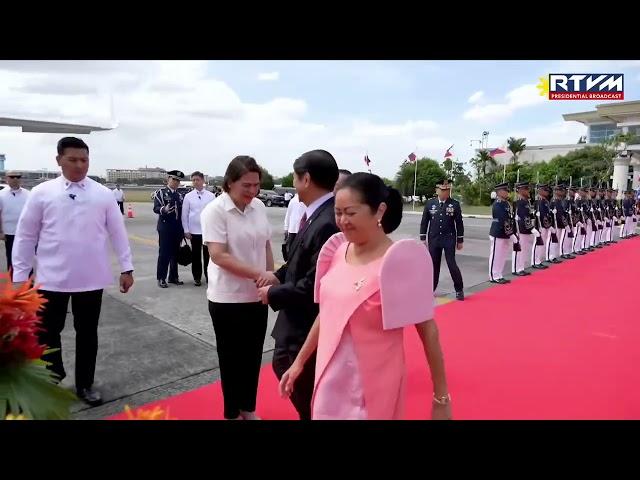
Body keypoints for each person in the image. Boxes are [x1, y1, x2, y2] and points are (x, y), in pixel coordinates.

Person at [277, 173, 451, 420]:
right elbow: (328, 314)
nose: (342, 221)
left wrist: (441, 397)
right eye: (338, 212)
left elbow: (428, 332)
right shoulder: (336, 250)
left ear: (379, 211)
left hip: (371, 388)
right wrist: (299, 362)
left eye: (350, 212)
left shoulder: (399, 262)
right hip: (329, 383)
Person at [12, 137, 134, 406]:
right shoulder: (42, 193)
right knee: (47, 333)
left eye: (84, 160)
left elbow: (118, 233)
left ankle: (85, 384)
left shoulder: (102, 194)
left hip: (91, 279)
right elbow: (24, 237)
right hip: (50, 280)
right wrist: (20, 279)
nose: (80, 165)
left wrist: (127, 267)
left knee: (88, 334)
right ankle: (51, 379)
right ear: (59, 160)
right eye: (73, 159)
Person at [256, 149, 340, 420]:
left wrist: (273, 292)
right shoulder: (316, 213)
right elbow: (300, 260)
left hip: (304, 323)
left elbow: (315, 282)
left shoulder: (327, 221)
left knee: (296, 377)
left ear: (306, 179)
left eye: (294, 177)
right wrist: (278, 275)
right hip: (298, 320)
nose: (293, 183)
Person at [201, 156, 274, 420]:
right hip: (226, 299)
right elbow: (218, 255)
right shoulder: (215, 211)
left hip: (256, 296)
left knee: (253, 357)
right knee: (231, 360)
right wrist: (261, 274)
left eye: (256, 185)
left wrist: (270, 279)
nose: (253, 191)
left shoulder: (259, 207)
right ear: (230, 182)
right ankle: (231, 412)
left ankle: (248, 407)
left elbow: (266, 244)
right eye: (247, 185)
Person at [419, 179, 465, 300]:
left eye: (448, 190)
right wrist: (423, 237)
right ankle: (430, 289)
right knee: (434, 265)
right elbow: (424, 221)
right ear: (437, 190)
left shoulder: (454, 204)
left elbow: (459, 223)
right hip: (434, 238)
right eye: (443, 190)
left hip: (449, 238)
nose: (446, 192)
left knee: (451, 263)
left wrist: (460, 240)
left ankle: (459, 289)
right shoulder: (430, 204)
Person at [182, 171, 215, 286]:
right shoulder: (188, 197)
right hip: (194, 232)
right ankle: (197, 277)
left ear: (203, 181)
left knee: (208, 256)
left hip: (207, 231)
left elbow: (215, 214)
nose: (195, 182)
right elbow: (184, 215)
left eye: (198, 179)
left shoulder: (211, 196)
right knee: (196, 256)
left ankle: (208, 276)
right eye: (193, 180)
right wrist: (186, 230)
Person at [153, 170, 186, 288]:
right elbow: (156, 208)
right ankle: (161, 278)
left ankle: (173, 277)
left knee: (175, 254)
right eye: (174, 179)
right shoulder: (161, 193)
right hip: (165, 227)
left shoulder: (180, 195)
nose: (176, 182)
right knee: (164, 253)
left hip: (177, 228)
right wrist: (164, 209)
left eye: (178, 180)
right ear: (168, 179)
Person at [0, 171, 30, 271]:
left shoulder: (28, 194)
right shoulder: (1, 195)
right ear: (6, 178)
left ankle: (28, 278)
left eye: (18, 177)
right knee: (11, 255)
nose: (15, 179)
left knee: (26, 255)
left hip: (25, 231)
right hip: (9, 232)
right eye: (12, 177)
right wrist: (0, 231)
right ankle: (12, 277)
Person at [489, 182, 517, 284]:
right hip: (498, 232)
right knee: (496, 255)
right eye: (505, 191)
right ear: (499, 192)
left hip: (505, 233)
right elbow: (502, 220)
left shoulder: (506, 203)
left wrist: (512, 232)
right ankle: (493, 275)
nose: (507, 192)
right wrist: (511, 234)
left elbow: (510, 219)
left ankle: (499, 274)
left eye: (507, 191)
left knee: (502, 255)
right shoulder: (497, 204)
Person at [512, 181, 537, 276]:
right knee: (519, 249)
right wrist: (531, 227)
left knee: (524, 249)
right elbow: (521, 217)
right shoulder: (519, 202)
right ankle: (516, 269)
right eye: (526, 189)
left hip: (526, 229)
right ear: (521, 190)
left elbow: (527, 215)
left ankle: (521, 267)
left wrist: (533, 216)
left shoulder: (526, 201)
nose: (528, 190)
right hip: (520, 229)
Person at [282, 192, 306, 262]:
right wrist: (286, 228)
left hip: (301, 229)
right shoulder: (293, 200)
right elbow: (288, 215)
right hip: (293, 229)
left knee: (298, 250)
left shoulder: (306, 200)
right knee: (291, 249)